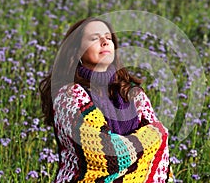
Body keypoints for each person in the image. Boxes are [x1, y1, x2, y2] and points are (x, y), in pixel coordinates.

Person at [39, 17, 172, 182]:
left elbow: (161, 139)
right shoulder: (68, 97)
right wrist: (147, 142)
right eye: (94, 38)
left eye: (108, 38)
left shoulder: (132, 93)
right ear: (77, 51)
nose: (104, 42)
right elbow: (104, 154)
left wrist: (152, 138)